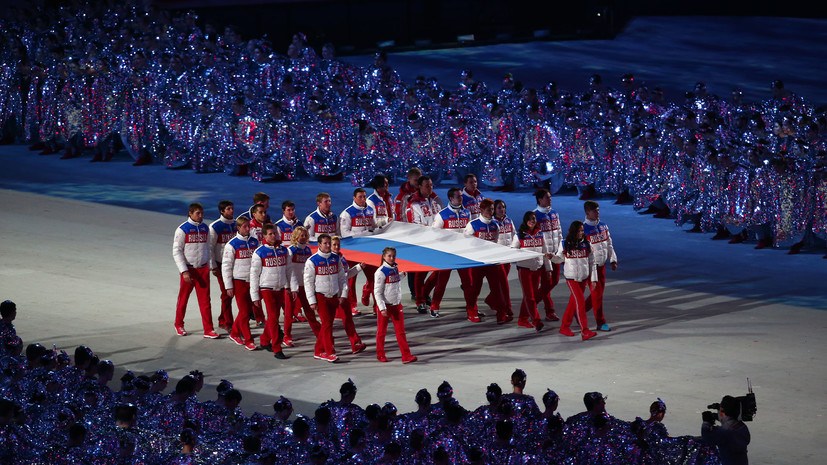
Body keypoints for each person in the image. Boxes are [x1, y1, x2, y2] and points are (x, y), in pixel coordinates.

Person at [172, 202, 219, 339]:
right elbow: (177, 251)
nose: (201, 216)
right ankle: (179, 324)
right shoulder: (182, 229)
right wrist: (184, 271)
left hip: (203, 269)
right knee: (183, 299)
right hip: (189, 270)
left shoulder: (205, 228)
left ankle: (208, 329)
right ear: (190, 213)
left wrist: (211, 265)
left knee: (205, 300)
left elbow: (208, 249)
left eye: (202, 213)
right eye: (198, 213)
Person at [425, 187, 473, 319]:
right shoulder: (442, 214)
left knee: (468, 284)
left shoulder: (467, 213)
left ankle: (472, 309)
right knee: (441, 283)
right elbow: (434, 234)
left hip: (463, 254)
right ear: (451, 198)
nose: (461, 198)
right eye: (458, 196)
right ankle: (434, 307)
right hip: (447, 255)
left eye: (461, 196)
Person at [463, 198, 509, 323]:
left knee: (497, 289)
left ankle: (501, 313)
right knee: (475, 289)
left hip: (492, 263)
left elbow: (497, 243)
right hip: (477, 263)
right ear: (481, 210)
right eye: (489, 209)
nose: (491, 212)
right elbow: (465, 244)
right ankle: (471, 312)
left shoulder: (495, 225)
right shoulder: (472, 224)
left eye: (493, 209)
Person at [303, 234, 347, 362]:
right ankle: (329, 352)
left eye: (329, 243)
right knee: (327, 324)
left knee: (327, 324)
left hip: (333, 295)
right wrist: (312, 301)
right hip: (320, 296)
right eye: (326, 243)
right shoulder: (312, 261)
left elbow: (342, 278)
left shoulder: (335, 258)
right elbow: (308, 282)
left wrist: (342, 294)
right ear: (319, 244)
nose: (328, 246)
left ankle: (318, 351)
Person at [250, 223, 292, 360]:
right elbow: (254, 275)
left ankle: (264, 340)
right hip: (266, 288)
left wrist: (291, 287)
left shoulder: (284, 251)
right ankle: (277, 348)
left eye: (274, 233)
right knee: (274, 318)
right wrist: (255, 295)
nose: (273, 236)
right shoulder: (259, 253)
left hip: (280, 288)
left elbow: (289, 271)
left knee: (273, 317)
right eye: (270, 234)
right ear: (264, 236)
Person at [554, 221, 598, 341]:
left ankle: (564, 326)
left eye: (582, 230)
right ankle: (585, 331)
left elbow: (592, 263)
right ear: (573, 231)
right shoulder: (564, 243)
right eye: (579, 231)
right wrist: (551, 257)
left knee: (573, 303)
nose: (581, 233)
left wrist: (593, 279)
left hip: (583, 278)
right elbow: (559, 259)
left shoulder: (587, 244)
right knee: (580, 302)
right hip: (571, 278)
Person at [373, 247, 417, 363]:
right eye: (389, 256)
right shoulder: (380, 272)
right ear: (384, 256)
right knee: (381, 332)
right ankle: (380, 354)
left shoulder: (395, 268)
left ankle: (406, 356)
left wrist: (402, 275)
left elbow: (394, 281)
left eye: (393, 256)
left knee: (401, 332)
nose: (392, 258)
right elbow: (377, 292)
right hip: (386, 307)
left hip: (397, 305)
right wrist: (382, 308)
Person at [406, 175, 443, 314]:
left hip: (438, 241)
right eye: (427, 185)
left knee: (441, 270)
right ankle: (420, 301)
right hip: (422, 243)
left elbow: (442, 218)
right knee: (420, 273)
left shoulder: (437, 200)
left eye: (431, 185)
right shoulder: (413, 204)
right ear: (419, 186)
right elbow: (413, 225)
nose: (430, 188)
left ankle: (425, 292)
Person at [222, 216, 260, 351]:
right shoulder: (231, 245)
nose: (248, 229)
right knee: (244, 312)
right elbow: (226, 266)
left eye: (248, 226)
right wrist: (229, 286)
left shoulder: (255, 242)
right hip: (239, 282)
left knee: (246, 311)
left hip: (253, 282)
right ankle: (249, 340)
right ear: (238, 227)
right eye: (244, 226)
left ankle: (234, 333)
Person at [511, 211, 552, 331]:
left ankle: (522, 319)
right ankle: (536, 320)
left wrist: (548, 269)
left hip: (537, 269)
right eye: (529, 219)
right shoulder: (519, 235)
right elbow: (513, 250)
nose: (532, 221)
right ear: (525, 221)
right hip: (524, 269)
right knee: (529, 296)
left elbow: (546, 252)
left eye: (533, 219)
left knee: (531, 296)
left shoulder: (540, 234)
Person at [339, 187, 376, 314]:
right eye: (360, 197)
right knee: (351, 279)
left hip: (368, 251)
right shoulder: (347, 213)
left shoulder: (371, 210)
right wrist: (361, 239)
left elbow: (374, 227)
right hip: (353, 252)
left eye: (364, 196)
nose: (363, 199)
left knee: (374, 277)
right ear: (354, 198)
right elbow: (345, 234)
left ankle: (377, 305)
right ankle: (352, 305)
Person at [583, 201, 618, 332]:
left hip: (602, 266)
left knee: (597, 295)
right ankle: (600, 322)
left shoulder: (603, 226)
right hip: (592, 267)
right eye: (594, 211)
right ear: (587, 212)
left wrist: (613, 259)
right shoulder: (583, 229)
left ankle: (578, 311)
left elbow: (609, 244)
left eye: (598, 210)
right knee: (597, 294)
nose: (598, 213)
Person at [330, 236, 368, 354]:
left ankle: (355, 343)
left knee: (348, 320)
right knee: (327, 323)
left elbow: (346, 275)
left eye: (338, 244)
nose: (337, 247)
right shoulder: (329, 259)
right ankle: (324, 347)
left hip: (343, 294)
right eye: (334, 245)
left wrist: (358, 268)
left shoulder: (342, 257)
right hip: (331, 294)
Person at [285, 226, 319, 348]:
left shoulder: (308, 251)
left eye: (305, 235)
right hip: (292, 287)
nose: (304, 238)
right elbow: (287, 270)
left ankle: (320, 334)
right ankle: (287, 337)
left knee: (310, 311)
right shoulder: (290, 251)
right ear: (296, 237)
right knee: (289, 313)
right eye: (301, 235)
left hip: (304, 286)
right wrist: (288, 286)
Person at [533, 189, 562, 321]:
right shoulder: (534, 216)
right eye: (547, 197)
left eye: (550, 197)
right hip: (544, 255)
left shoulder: (554, 213)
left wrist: (561, 250)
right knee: (547, 283)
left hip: (555, 254)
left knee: (552, 282)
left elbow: (559, 232)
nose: (550, 199)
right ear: (540, 199)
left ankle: (533, 305)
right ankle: (539, 307)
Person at [208, 200, 237, 332]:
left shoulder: (237, 224)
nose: (231, 211)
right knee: (226, 293)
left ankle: (222, 318)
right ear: (222, 211)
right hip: (221, 265)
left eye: (232, 208)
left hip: (235, 265)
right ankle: (227, 322)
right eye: (228, 209)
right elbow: (209, 248)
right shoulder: (215, 227)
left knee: (229, 293)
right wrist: (213, 266)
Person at [701, 396, 750, 465]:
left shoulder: (725, 432)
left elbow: (707, 438)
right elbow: (729, 421)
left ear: (722, 411)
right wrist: (719, 414)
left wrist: (706, 422)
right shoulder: (742, 427)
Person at [493, 199, 515, 320]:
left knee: (501, 284)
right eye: (499, 208)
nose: (502, 210)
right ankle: (505, 309)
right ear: (494, 210)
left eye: (503, 207)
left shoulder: (509, 221)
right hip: (497, 258)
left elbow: (514, 235)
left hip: (508, 257)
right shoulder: (492, 222)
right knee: (504, 285)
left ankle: (491, 301)